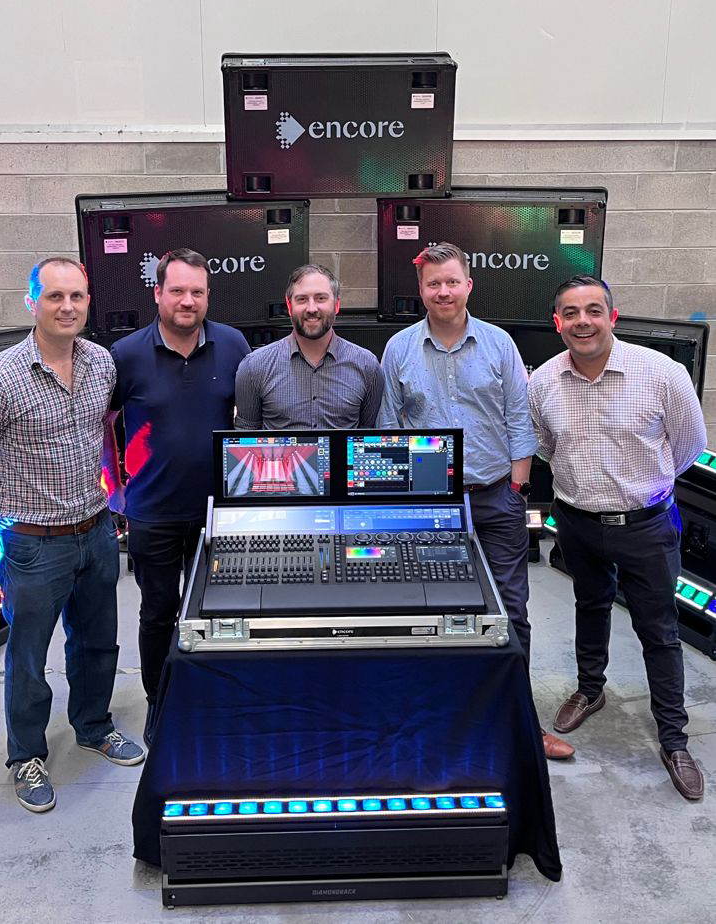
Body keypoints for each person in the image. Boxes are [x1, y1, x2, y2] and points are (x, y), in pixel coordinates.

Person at [0, 257, 143, 814]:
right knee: (28, 657)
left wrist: (113, 489)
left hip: (96, 531)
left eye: (76, 296)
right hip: (33, 546)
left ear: (88, 302)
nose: (67, 307)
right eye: (55, 296)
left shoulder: (101, 363)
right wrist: (8, 508)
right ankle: (27, 756)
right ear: (32, 302)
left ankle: (94, 726)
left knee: (98, 641)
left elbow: (103, 428)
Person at [379, 241, 573, 760]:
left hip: (495, 498)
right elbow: (389, 428)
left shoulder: (498, 344)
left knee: (511, 613)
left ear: (468, 284)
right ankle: (441, 721)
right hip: (429, 506)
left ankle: (520, 723)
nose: (443, 291)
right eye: (433, 283)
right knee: (431, 614)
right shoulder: (398, 348)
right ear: (420, 289)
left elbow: (519, 418)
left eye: (451, 281)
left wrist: (517, 488)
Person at [529, 275, 707, 799]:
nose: (582, 321)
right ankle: (591, 689)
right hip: (576, 520)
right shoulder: (543, 381)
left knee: (659, 631)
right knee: (590, 605)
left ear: (612, 316)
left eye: (593, 310)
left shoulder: (662, 374)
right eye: (570, 313)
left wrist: (641, 489)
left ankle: (673, 739)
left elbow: (689, 445)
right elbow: (544, 445)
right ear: (557, 322)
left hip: (646, 526)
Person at [107, 248, 250, 745]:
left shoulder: (233, 344)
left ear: (208, 296)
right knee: (158, 614)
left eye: (197, 292)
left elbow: (247, 421)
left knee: (217, 612)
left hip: (218, 512)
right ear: (157, 294)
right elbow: (104, 423)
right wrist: (114, 487)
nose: (187, 301)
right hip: (154, 513)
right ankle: (160, 701)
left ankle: (210, 697)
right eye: (177, 291)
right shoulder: (125, 354)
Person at [234, 264, 383, 429]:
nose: (312, 308)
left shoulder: (367, 367)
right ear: (289, 306)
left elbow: (366, 436)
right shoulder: (254, 367)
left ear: (336, 305)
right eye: (302, 299)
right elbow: (245, 437)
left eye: (321, 298)